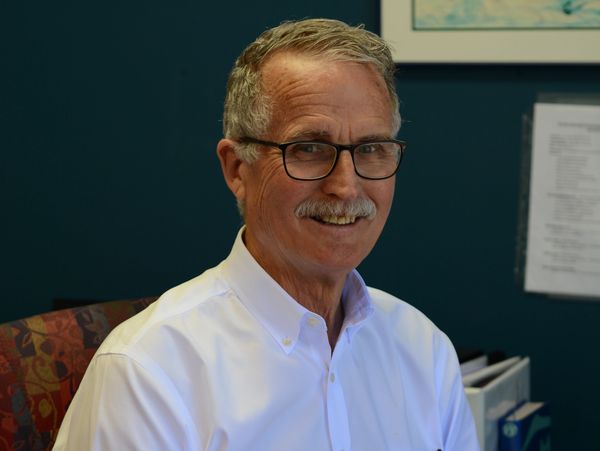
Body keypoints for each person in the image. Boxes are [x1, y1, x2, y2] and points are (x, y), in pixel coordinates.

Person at [54, 18, 480, 451]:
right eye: (309, 149)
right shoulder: (149, 370)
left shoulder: (423, 349)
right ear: (237, 168)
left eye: (371, 148)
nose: (346, 186)